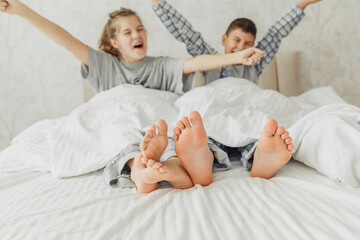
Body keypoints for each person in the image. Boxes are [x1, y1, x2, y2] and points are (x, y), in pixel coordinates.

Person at [0, 0, 265, 193]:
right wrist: (19, 9)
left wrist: (235, 57)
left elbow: (197, 63)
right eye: (127, 32)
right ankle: (139, 169)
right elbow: (63, 39)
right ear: (114, 42)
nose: (137, 35)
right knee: (118, 127)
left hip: (155, 111)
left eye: (140, 29)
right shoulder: (104, 65)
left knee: (170, 125)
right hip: (116, 110)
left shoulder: (160, 65)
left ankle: (179, 163)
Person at [150, 0, 322, 85]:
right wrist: (158, 3)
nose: (241, 48)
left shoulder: (255, 63)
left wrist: (303, 3)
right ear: (224, 40)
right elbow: (185, 32)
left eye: (248, 44)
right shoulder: (210, 60)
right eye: (237, 40)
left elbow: (276, 33)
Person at [136, 111, 294, 194]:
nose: (240, 46)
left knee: (212, 139)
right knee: (250, 135)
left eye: (247, 45)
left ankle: (204, 156)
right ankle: (256, 155)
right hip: (246, 119)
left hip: (219, 122)